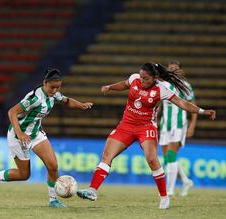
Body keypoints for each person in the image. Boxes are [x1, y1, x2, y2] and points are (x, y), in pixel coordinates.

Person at [77, 63, 216, 209]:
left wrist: (202, 111)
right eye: (141, 77)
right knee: (106, 156)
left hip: (146, 128)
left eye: (146, 79)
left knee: (152, 160)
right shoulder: (135, 79)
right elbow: (124, 84)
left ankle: (164, 197)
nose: (142, 81)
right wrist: (110, 87)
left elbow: (182, 103)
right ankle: (92, 190)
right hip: (126, 126)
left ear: (155, 78)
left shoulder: (162, 89)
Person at [0, 68, 93, 208]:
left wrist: (81, 105)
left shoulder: (54, 94)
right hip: (18, 136)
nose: (55, 90)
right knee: (24, 175)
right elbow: (12, 112)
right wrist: (21, 133)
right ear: (44, 83)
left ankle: (53, 200)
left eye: (58, 87)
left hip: (35, 134)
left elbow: (66, 101)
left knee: (53, 166)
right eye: (52, 87)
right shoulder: (35, 98)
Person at [159, 61, 196, 197]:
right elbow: (158, 103)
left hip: (179, 124)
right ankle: (186, 181)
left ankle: (169, 190)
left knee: (171, 155)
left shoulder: (186, 86)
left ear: (180, 71)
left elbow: (193, 106)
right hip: (165, 125)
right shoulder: (164, 85)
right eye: (171, 68)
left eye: (176, 68)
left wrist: (192, 125)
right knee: (167, 158)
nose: (173, 70)